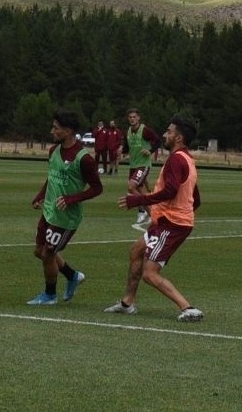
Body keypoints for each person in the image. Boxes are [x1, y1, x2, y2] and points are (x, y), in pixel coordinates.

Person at [104, 115, 204, 322]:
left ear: (179, 137)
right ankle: (127, 303)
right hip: (169, 221)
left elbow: (170, 190)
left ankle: (188, 308)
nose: (164, 134)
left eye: (169, 131)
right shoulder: (187, 159)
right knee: (136, 251)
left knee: (150, 273)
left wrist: (139, 200)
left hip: (172, 224)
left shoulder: (177, 160)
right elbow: (196, 198)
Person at [26, 110, 103, 306]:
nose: (52, 131)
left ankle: (50, 295)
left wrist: (72, 199)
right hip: (49, 210)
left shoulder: (84, 159)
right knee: (38, 251)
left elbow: (97, 188)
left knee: (47, 253)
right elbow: (52, 177)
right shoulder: (54, 151)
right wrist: (41, 195)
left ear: (68, 131)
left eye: (56, 128)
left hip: (66, 217)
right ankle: (72, 276)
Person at [123, 108, 161, 225]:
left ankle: (142, 211)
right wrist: (122, 152)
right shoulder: (128, 131)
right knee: (139, 190)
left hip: (143, 165)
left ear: (138, 118)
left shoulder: (145, 130)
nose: (132, 119)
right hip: (133, 165)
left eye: (134, 117)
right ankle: (152, 215)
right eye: (130, 117)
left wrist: (150, 150)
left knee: (131, 187)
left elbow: (158, 141)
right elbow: (126, 147)